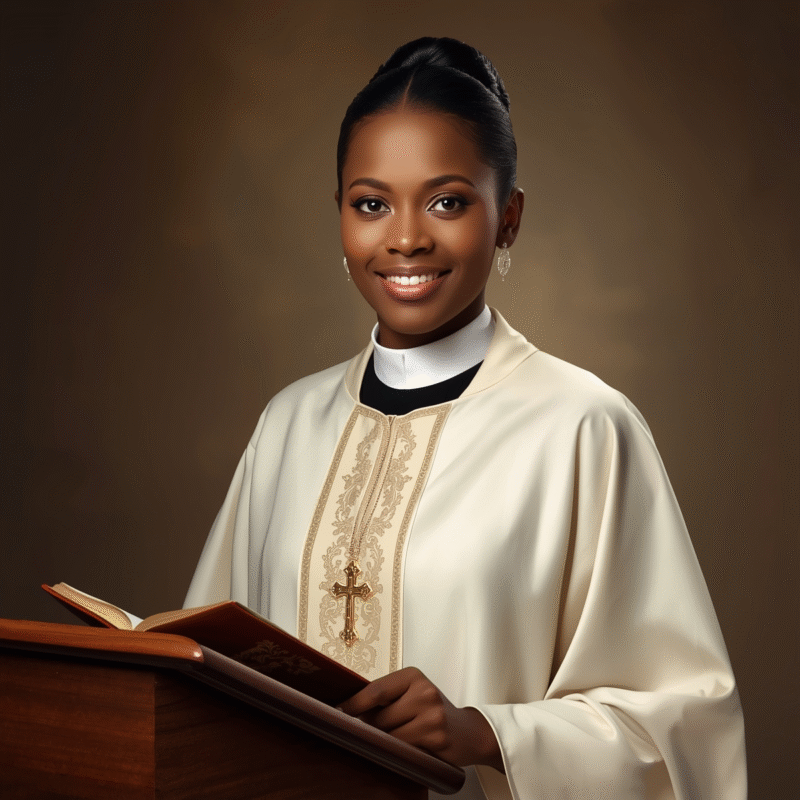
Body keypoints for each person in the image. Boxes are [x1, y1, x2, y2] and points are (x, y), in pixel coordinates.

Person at [185, 37, 746, 800]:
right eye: (371, 203)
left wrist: (484, 732)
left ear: (508, 218)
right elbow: (205, 679)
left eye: (447, 201)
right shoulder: (288, 424)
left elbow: (680, 729)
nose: (406, 236)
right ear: (341, 218)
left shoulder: (582, 428)